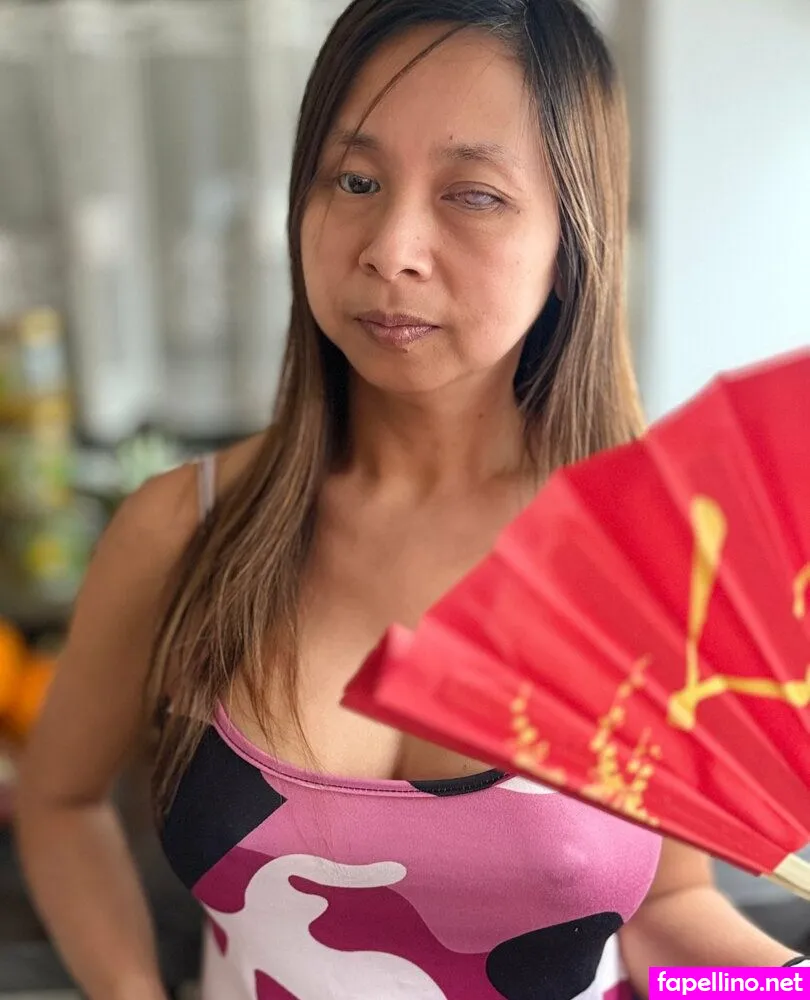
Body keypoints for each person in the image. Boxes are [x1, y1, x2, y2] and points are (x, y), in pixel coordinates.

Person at [14, 1, 806, 998]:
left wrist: (786, 986)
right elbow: (60, 802)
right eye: (355, 179)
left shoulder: (662, 566)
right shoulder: (184, 529)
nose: (391, 247)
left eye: (473, 194)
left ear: (573, 238)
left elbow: (663, 914)